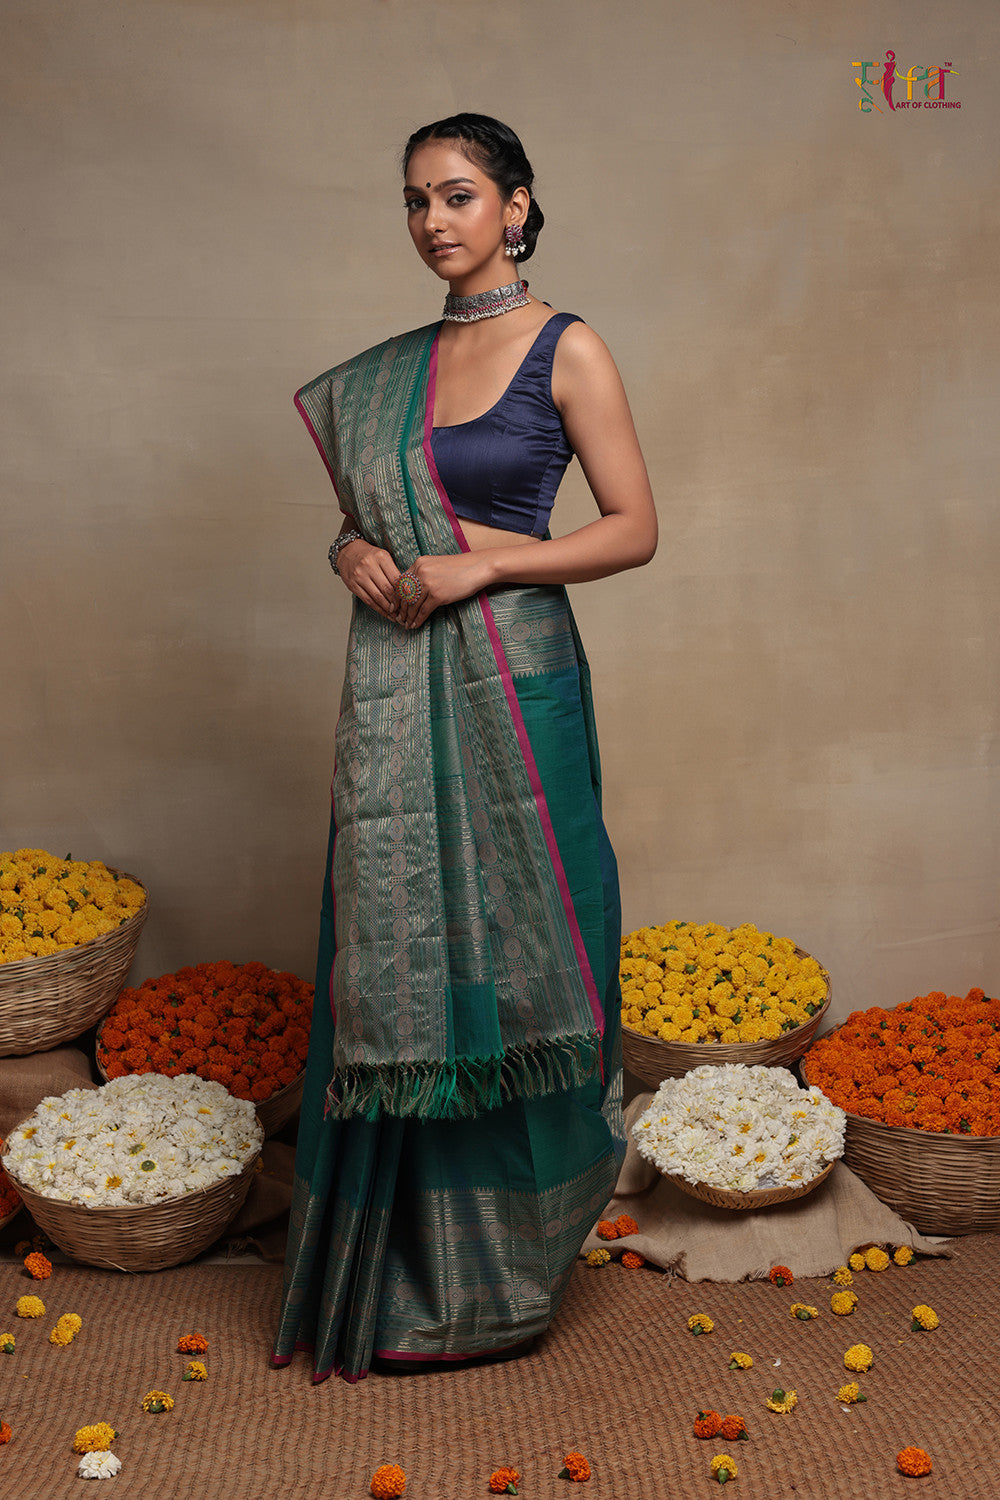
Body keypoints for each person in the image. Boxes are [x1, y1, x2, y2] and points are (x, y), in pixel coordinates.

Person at [270, 113, 656, 1384]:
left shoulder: (566, 346)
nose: (434, 221)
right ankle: (395, 1269)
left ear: (516, 206)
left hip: (516, 673)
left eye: (458, 195)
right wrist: (350, 550)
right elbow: (360, 524)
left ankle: (508, 1269)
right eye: (415, 200)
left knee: (529, 939)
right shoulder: (386, 374)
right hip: (396, 681)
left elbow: (632, 527)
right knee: (402, 942)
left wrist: (480, 564)